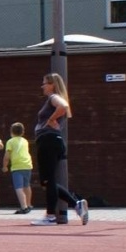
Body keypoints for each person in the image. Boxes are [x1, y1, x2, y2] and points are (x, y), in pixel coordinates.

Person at [31, 72, 88, 226]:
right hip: (53, 141)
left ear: (52, 85)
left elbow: (63, 106)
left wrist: (50, 119)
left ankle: (50, 216)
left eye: (44, 83)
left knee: (48, 180)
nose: (42, 86)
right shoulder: (51, 99)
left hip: (48, 141)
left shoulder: (52, 98)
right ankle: (76, 204)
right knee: (48, 181)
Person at [3, 122, 33, 214]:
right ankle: (28, 204)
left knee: (18, 187)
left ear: (11, 132)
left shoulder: (10, 141)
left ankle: (23, 207)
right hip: (27, 164)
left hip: (17, 166)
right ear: (22, 132)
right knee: (26, 185)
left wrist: (5, 166)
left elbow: (7, 156)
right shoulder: (25, 141)